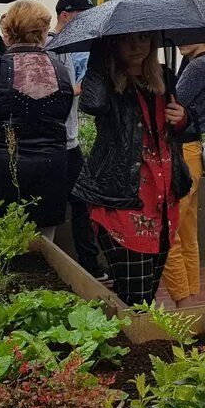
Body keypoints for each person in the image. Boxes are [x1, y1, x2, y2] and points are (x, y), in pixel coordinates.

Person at [73, 32, 190, 305]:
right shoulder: (107, 81)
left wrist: (184, 118)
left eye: (143, 38)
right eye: (127, 40)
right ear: (113, 44)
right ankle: (133, 342)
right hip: (122, 197)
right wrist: (99, 55)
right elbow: (93, 104)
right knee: (135, 299)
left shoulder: (164, 77)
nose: (137, 46)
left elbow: (180, 131)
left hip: (163, 198)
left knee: (147, 293)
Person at [0, 0, 72, 238]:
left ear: (8, 31)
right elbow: (62, 114)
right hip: (51, 170)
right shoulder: (59, 70)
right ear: (43, 31)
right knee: (44, 248)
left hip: (1, 169)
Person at [45, 0, 105, 282]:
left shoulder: (69, 47)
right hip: (55, 143)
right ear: (65, 16)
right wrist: (81, 86)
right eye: (82, 16)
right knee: (57, 206)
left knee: (82, 202)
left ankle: (90, 265)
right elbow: (55, 93)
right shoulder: (49, 48)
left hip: (71, 141)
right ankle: (50, 265)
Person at [161, 41, 205, 303]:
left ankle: (182, 299)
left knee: (168, 230)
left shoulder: (199, 65)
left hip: (183, 152)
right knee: (186, 231)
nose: (182, 40)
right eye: (180, 35)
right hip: (192, 150)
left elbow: (174, 102)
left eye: (190, 35)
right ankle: (189, 299)